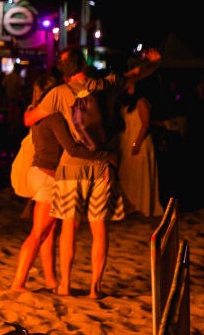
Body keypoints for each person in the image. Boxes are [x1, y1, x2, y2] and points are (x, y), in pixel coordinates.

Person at [25, 45, 160, 298]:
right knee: (100, 228)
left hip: (70, 168)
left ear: (65, 71)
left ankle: (64, 284)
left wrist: (32, 109)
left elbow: (30, 120)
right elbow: (135, 74)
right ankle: (95, 287)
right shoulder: (106, 85)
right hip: (101, 166)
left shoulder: (59, 93)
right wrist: (154, 63)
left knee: (69, 228)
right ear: (84, 64)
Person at [9, 71, 62, 292]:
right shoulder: (51, 115)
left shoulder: (33, 112)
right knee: (39, 232)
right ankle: (18, 282)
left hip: (38, 173)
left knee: (48, 231)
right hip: (46, 176)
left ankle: (50, 279)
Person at [116, 79, 163, 217]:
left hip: (140, 140)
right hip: (129, 139)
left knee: (138, 173)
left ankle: (140, 205)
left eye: (130, 85)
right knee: (126, 174)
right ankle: (131, 204)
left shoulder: (141, 102)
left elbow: (145, 124)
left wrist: (137, 143)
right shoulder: (127, 103)